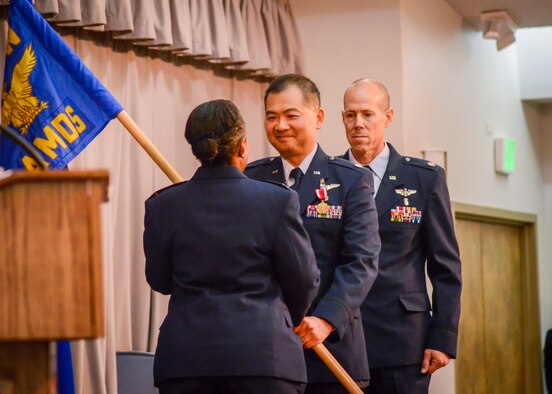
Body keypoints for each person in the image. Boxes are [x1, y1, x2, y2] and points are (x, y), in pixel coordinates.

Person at [144, 99, 321, 394]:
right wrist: (278, 317)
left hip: (186, 361)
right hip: (264, 357)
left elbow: (160, 281)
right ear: (242, 146)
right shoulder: (277, 200)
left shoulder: (162, 205)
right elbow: (304, 280)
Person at [245, 74, 381, 394]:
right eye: (271, 116)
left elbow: (361, 260)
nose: (280, 125)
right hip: (264, 352)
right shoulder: (251, 179)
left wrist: (326, 319)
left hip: (330, 350)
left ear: (318, 117)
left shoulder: (350, 180)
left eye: (291, 115)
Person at [340, 79, 462, 394]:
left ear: (388, 117)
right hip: (341, 337)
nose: (358, 124)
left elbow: (445, 267)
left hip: (403, 340)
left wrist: (443, 338)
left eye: (367, 114)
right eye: (351, 115)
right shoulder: (329, 177)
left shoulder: (423, 178)